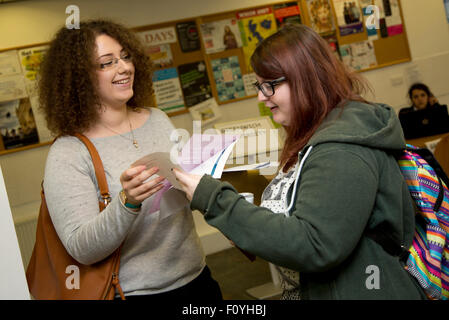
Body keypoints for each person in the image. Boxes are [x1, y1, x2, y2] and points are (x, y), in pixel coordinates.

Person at [173, 24, 427, 300]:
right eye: (259, 85)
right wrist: (244, 226)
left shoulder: (341, 150)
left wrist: (214, 199)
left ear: (306, 79)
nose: (261, 96)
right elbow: (305, 220)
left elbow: (315, 245)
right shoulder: (318, 135)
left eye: (269, 85)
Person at [39, 19, 222, 300]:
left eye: (125, 57)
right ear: (79, 76)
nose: (124, 67)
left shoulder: (158, 120)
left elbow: (184, 196)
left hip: (197, 280)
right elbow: (81, 248)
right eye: (107, 63)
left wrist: (202, 177)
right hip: (132, 294)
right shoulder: (69, 152)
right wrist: (127, 202)